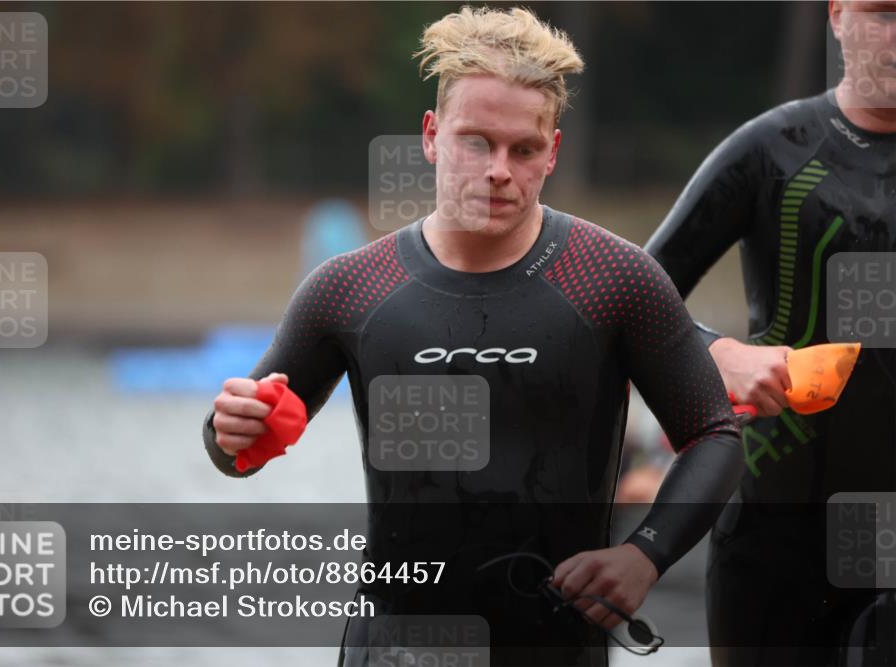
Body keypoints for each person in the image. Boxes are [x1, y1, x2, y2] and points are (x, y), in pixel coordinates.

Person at [204, 7, 744, 666]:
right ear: (432, 136)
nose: (498, 169)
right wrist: (232, 430)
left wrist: (645, 554)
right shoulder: (349, 288)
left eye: (523, 148)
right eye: (476, 142)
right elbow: (236, 451)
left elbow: (714, 433)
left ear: (554, 151)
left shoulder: (614, 278)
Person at [644, 2, 896, 665]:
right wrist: (719, 352)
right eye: (886, 13)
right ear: (838, 16)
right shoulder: (771, 150)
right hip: (773, 534)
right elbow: (633, 298)